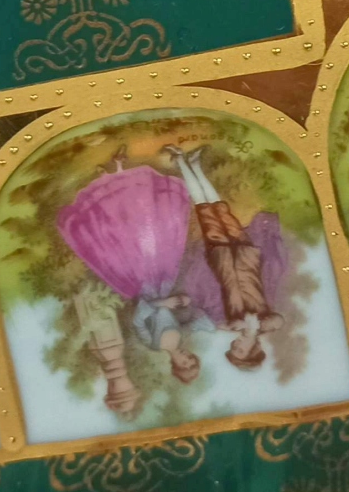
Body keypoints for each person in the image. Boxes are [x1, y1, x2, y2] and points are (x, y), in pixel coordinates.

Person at [57, 163, 200, 417]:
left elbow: (139, 315)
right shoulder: (179, 335)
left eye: (184, 363)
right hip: (162, 278)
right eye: (191, 360)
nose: (186, 358)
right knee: (148, 228)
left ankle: (108, 176)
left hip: (138, 282)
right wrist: (180, 301)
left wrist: (164, 304)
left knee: (122, 240)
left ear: (174, 365)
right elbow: (194, 317)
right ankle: (119, 167)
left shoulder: (154, 343)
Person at [164, 147, 288, 370]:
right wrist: (257, 326)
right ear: (254, 349)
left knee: (206, 213)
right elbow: (278, 320)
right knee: (222, 211)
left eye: (233, 348)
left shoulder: (232, 325)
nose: (235, 345)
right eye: (239, 349)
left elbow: (217, 321)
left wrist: (232, 326)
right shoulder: (266, 326)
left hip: (222, 259)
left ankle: (182, 162)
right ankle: (196, 166)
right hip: (247, 257)